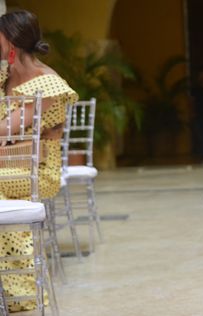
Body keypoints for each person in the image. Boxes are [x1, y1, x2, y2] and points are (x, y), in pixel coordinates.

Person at [0, 10, 78, 312]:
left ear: (12, 41)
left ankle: (23, 291)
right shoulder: (4, 76)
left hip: (35, 169)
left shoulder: (48, 84)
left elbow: (8, 128)